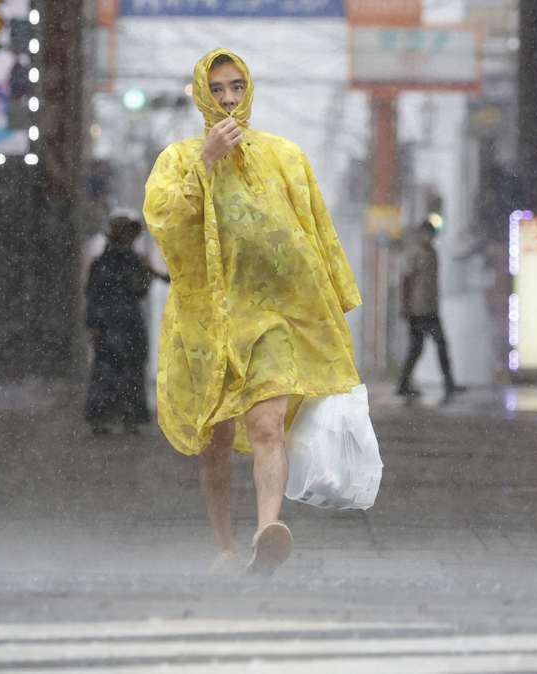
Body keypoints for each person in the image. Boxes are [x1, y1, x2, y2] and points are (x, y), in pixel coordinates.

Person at [144, 48, 362, 576]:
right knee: (215, 439)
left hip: (271, 319)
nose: (228, 99)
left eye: (237, 87)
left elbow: (315, 229)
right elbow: (166, 218)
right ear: (201, 94)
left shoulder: (285, 156)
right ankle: (224, 543)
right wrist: (207, 161)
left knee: (267, 424)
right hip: (207, 321)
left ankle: (269, 528)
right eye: (217, 89)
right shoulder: (178, 160)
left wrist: (331, 297)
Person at [84, 208, 167, 434]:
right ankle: (113, 416)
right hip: (115, 324)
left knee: (123, 371)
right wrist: (94, 324)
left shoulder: (126, 261)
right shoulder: (110, 262)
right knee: (111, 371)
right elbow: (95, 294)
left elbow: (140, 288)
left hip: (124, 324)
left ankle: (120, 416)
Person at [396, 219, 459, 401]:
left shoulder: (432, 252)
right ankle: (447, 382)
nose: (430, 237)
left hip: (429, 307)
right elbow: (406, 279)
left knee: (419, 348)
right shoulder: (416, 252)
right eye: (427, 233)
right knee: (436, 344)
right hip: (418, 309)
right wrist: (405, 305)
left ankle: (404, 383)